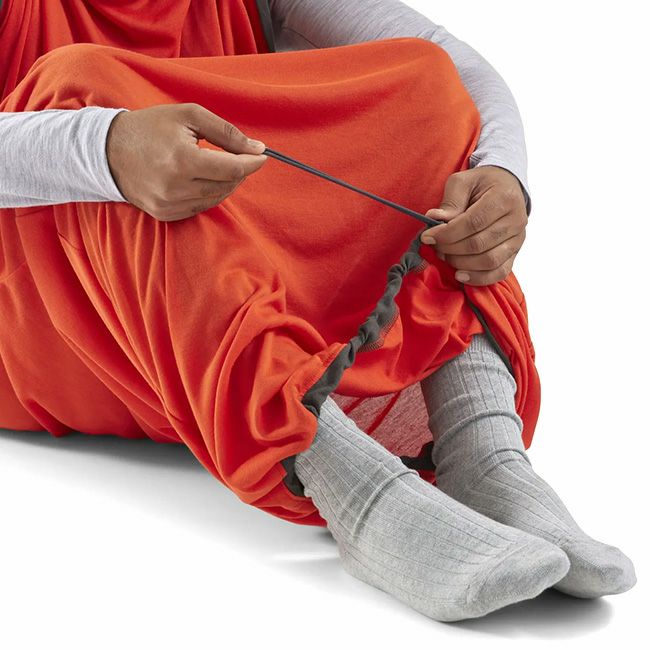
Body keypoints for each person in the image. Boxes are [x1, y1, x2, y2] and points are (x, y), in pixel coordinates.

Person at [0, 0, 636, 622]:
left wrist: (503, 175)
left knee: (428, 84)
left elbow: (457, 68)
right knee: (82, 88)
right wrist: (106, 148)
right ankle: (360, 496)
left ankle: (483, 455)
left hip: (209, 353)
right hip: (49, 334)